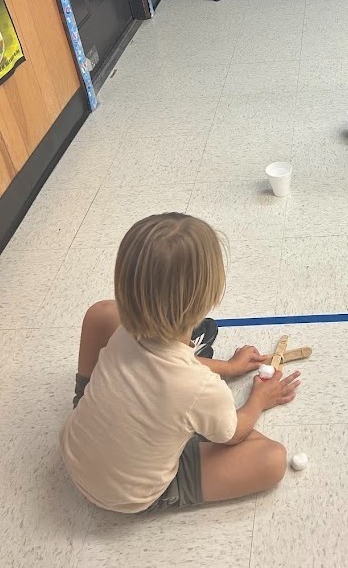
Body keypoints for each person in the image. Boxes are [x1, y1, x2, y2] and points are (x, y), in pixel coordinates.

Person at [60, 213, 300, 514]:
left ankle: (90, 403)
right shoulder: (201, 387)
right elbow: (234, 432)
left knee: (102, 313)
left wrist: (229, 367)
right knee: (272, 459)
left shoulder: (124, 333)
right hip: (129, 494)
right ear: (207, 298)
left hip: (76, 451)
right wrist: (259, 400)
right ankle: (164, 484)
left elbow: (166, 366)